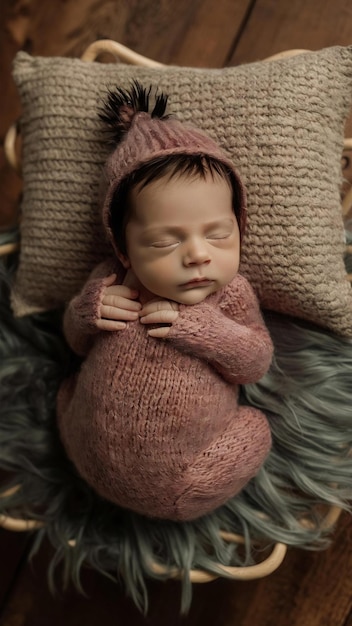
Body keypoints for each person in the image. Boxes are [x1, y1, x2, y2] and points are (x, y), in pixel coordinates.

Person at [57, 82, 273, 521]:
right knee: (66, 389)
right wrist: (85, 313)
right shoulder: (109, 280)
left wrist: (205, 331)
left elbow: (254, 363)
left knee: (256, 432)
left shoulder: (229, 295)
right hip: (85, 449)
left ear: (239, 225)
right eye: (163, 242)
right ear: (124, 248)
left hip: (182, 479)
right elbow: (75, 343)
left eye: (218, 234)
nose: (198, 254)